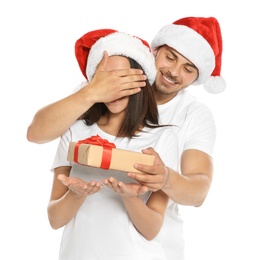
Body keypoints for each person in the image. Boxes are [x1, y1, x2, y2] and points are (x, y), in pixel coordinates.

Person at [27, 17, 225, 259]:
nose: (173, 72)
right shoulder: (87, 110)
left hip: (154, 247)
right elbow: (36, 133)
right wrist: (92, 91)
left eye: (188, 68)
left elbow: (198, 191)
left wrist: (164, 178)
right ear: (153, 53)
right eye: (170, 57)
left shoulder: (177, 127)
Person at [49, 29, 179, 260]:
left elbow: (151, 230)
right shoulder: (74, 130)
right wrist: (76, 194)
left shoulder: (162, 139)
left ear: (140, 80)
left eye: (121, 79)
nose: (112, 88)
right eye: (105, 79)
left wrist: (130, 197)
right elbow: (55, 220)